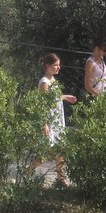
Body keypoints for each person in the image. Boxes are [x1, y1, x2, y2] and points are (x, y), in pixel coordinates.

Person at [35, 53, 77, 187]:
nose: (58, 67)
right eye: (55, 65)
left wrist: (65, 97)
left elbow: (54, 97)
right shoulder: (44, 83)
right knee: (48, 152)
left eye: (59, 65)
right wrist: (44, 124)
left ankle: (60, 179)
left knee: (60, 149)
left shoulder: (53, 80)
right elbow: (42, 104)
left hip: (57, 121)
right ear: (47, 66)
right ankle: (26, 171)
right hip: (50, 121)